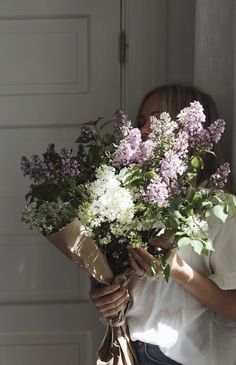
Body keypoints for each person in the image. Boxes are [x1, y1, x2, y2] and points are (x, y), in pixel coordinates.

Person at [90, 84, 236, 365]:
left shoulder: (218, 207)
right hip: (129, 349)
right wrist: (103, 293)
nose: (142, 130)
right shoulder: (127, 200)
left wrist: (180, 272)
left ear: (191, 130)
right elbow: (114, 276)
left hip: (184, 356)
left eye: (156, 119)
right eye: (141, 121)